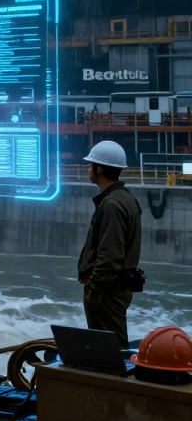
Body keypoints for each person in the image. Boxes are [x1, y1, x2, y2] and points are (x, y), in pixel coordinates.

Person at [78, 140, 142, 346]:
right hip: (115, 288)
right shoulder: (124, 199)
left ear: (99, 169)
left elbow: (110, 256)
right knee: (110, 347)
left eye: (90, 165)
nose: (88, 169)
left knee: (111, 350)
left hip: (108, 292)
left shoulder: (112, 204)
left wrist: (94, 292)